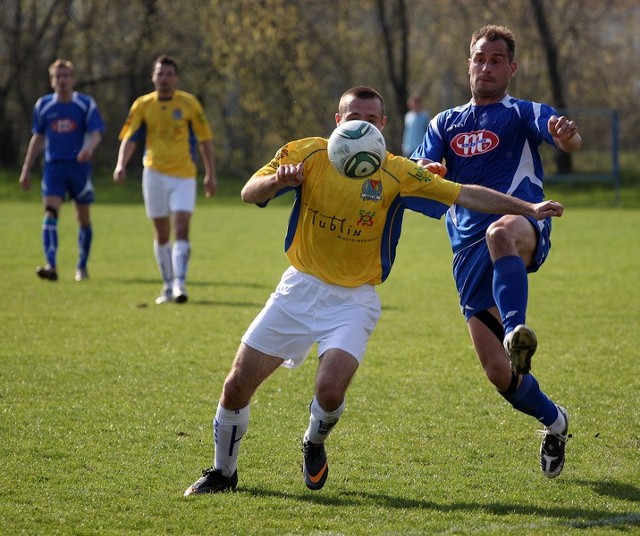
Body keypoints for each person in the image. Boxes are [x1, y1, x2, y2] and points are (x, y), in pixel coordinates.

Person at [183, 85, 565, 495]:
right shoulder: (306, 154)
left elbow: (463, 194)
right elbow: (248, 191)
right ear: (337, 122)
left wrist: (527, 209)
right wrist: (277, 181)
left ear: (383, 126)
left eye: (370, 120)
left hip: (354, 300)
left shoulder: (396, 170)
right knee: (237, 385)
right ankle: (223, 472)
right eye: (353, 119)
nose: (361, 127)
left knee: (329, 392)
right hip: (298, 289)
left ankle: (314, 440)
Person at [411, 25, 582, 479]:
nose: (486, 67)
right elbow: (417, 179)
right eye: (479, 59)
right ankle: (555, 421)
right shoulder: (443, 123)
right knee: (499, 375)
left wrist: (566, 137)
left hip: (523, 224)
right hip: (465, 253)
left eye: (495, 60)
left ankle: (515, 330)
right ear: (469, 64)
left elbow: (565, 136)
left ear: (511, 67)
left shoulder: (521, 112)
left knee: (500, 233)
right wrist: (422, 170)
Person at [113, 55, 217, 304]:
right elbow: (130, 137)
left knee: (181, 228)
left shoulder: (189, 103)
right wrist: (120, 165)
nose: (164, 78)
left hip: (183, 175)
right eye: (160, 73)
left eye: (169, 74)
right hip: (154, 173)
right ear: (153, 77)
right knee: (161, 232)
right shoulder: (143, 105)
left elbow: (205, 139)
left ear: (176, 78)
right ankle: (168, 285)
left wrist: (210, 173)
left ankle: (180, 283)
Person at [19, 59, 105, 282]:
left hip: (79, 168)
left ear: (73, 79)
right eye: (58, 76)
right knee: (50, 213)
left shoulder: (85, 104)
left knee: (83, 218)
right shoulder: (43, 106)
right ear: (51, 80)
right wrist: (26, 168)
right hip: (54, 167)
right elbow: (38, 137)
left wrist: (88, 148)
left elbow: (96, 133)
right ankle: (51, 265)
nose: (62, 80)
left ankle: (82, 266)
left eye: (66, 75)